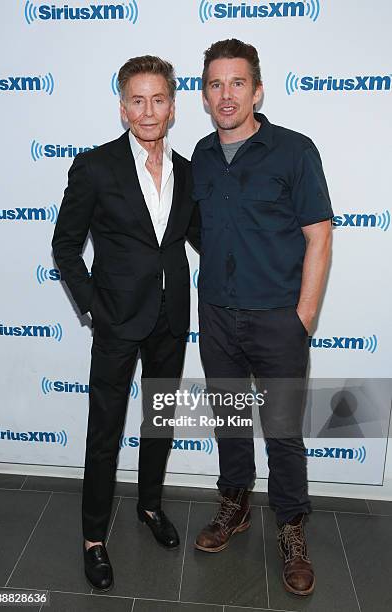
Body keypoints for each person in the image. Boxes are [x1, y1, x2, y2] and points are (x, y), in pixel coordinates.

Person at [52, 55, 200, 592]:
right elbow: (65, 246)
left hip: (171, 320)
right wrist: (94, 306)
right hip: (117, 321)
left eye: (158, 99)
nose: (147, 110)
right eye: (136, 100)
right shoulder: (94, 167)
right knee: (104, 431)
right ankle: (94, 538)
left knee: (158, 421)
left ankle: (151, 507)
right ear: (122, 108)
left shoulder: (187, 170)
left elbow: (201, 236)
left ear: (173, 106)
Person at [191, 39, 333, 596]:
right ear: (204, 94)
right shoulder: (200, 155)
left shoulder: (294, 151)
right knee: (229, 420)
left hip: (279, 320)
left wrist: (303, 317)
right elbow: (200, 232)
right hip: (218, 317)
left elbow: (319, 235)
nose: (227, 95)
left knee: (282, 432)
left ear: (257, 89)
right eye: (216, 84)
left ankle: (293, 527)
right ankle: (236, 506)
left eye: (237, 83)